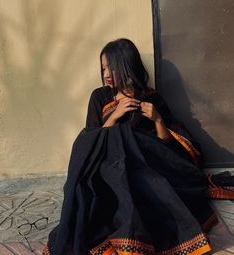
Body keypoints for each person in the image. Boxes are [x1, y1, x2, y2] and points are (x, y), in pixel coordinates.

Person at [43, 38, 234, 255]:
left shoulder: (150, 97)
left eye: (111, 68)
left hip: (145, 166)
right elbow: (91, 141)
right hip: (110, 167)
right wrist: (115, 117)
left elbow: (166, 145)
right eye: (103, 67)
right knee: (107, 192)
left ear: (126, 66)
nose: (106, 74)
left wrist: (158, 119)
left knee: (151, 189)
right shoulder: (100, 97)